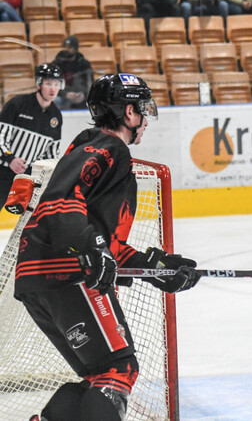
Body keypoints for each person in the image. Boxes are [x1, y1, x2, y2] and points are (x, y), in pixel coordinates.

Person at [15, 73, 201, 421]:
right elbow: (61, 202)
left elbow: (105, 243)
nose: (146, 119)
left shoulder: (102, 151)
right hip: (67, 275)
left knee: (100, 372)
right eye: (142, 109)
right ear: (128, 112)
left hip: (42, 278)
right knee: (119, 369)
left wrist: (156, 268)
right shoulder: (108, 147)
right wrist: (90, 245)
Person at [0, 63, 63, 201]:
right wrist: (10, 159)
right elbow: (1, 136)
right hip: (3, 170)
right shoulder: (17, 104)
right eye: (48, 84)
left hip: (28, 177)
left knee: (25, 219)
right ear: (38, 84)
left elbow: (51, 153)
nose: (53, 89)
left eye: (57, 84)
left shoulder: (56, 116)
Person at [51, 36, 93, 110]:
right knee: (55, 100)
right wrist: (66, 94)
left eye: (70, 47)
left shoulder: (84, 64)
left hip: (80, 95)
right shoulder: (56, 64)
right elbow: (51, 85)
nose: (66, 49)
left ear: (75, 49)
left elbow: (89, 83)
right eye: (65, 47)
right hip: (62, 95)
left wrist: (84, 94)